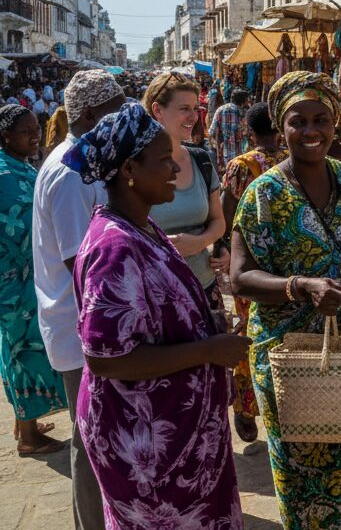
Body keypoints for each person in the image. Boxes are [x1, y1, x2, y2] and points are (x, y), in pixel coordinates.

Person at [231, 71, 341, 528]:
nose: (311, 131)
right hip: (297, 362)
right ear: (280, 127)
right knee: (312, 481)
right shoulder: (262, 194)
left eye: (320, 119)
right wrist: (300, 286)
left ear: (336, 123)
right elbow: (241, 277)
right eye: (298, 121)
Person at [65, 102, 248, 528]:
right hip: (146, 452)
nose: (174, 169)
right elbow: (105, 357)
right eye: (164, 160)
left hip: (179, 440)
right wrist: (208, 350)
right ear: (130, 169)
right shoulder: (115, 249)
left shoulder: (142, 228)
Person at [33, 69, 126, 530]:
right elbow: (82, 265)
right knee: (90, 444)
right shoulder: (70, 170)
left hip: (86, 324)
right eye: (115, 110)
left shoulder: (84, 159)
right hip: (80, 327)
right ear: (90, 115)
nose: (122, 118)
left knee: (98, 439)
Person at [218, 103, 288, 445]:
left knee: (250, 332)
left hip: (250, 266)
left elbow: (226, 216)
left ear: (249, 131)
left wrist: (224, 252)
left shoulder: (241, 166)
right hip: (289, 264)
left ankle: (246, 408)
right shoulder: (292, 162)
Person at [0, 104, 67, 455]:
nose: (34, 135)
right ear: (6, 135)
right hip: (14, 283)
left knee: (18, 349)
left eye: (35, 129)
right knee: (22, 350)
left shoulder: (18, 167)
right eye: (26, 131)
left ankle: (23, 420)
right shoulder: (3, 174)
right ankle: (28, 437)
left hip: (27, 276)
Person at [143, 72, 229, 293]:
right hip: (154, 294)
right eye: (184, 109)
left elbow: (218, 221)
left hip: (203, 289)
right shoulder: (135, 167)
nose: (193, 117)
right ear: (157, 110)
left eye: (195, 109)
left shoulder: (201, 159)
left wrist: (201, 242)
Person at [209, 89, 249, 167]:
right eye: (247, 100)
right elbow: (247, 133)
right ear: (243, 101)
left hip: (225, 155)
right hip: (241, 155)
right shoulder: (243, 113)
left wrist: (218, 150)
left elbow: (211, 132)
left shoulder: (220, 109)